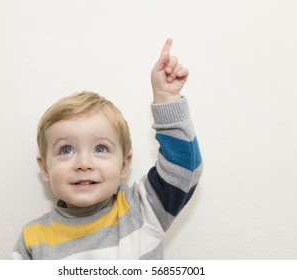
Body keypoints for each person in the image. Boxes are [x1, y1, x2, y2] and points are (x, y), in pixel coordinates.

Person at [12, 38, 203, 260]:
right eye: (66, 150)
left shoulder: (142, 209)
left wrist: (167, 99)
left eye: (100, 148)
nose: (84, 163)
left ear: (124, 165)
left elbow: (184, 169)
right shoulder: (31, 240)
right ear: (44, 168)